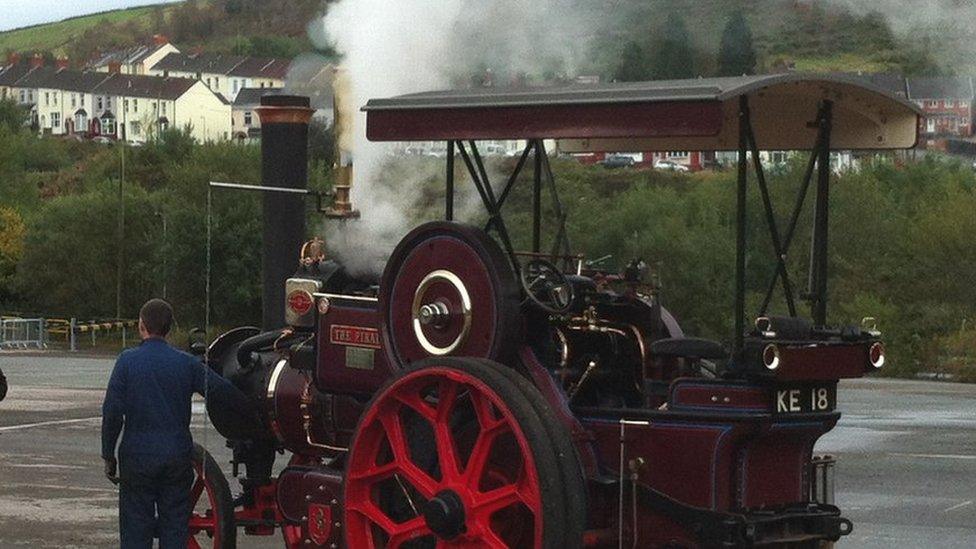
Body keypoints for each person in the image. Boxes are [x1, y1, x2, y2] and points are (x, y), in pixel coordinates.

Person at [101, 298, 233, 548]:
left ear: (141, 325)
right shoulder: (186, 362)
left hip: (137, 458)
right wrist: (252, 411)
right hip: (176, 457)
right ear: (169, 329)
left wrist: (109, 454)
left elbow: (112, 412)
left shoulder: (127, 362)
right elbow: (221, 390)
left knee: (135, 530)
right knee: (175, 529)